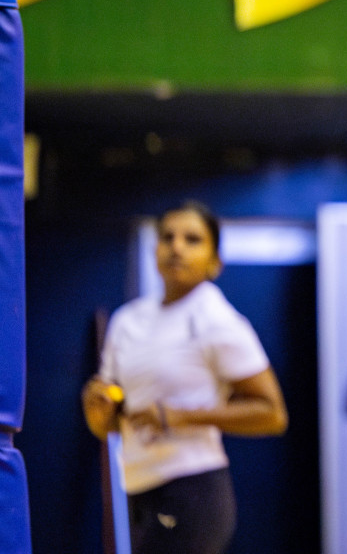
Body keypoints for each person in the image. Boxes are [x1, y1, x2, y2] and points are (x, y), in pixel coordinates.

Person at [81, 201, 288, 554]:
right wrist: (97, 414)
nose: (176, 247)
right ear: (154, 250)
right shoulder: (126, 321)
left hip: (193, 489)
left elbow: (273, 414)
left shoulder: (218, 320)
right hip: (137, 488)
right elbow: (111, 426)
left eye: (192, 239)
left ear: (215, 262)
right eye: (167, 237)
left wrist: (179, 416)